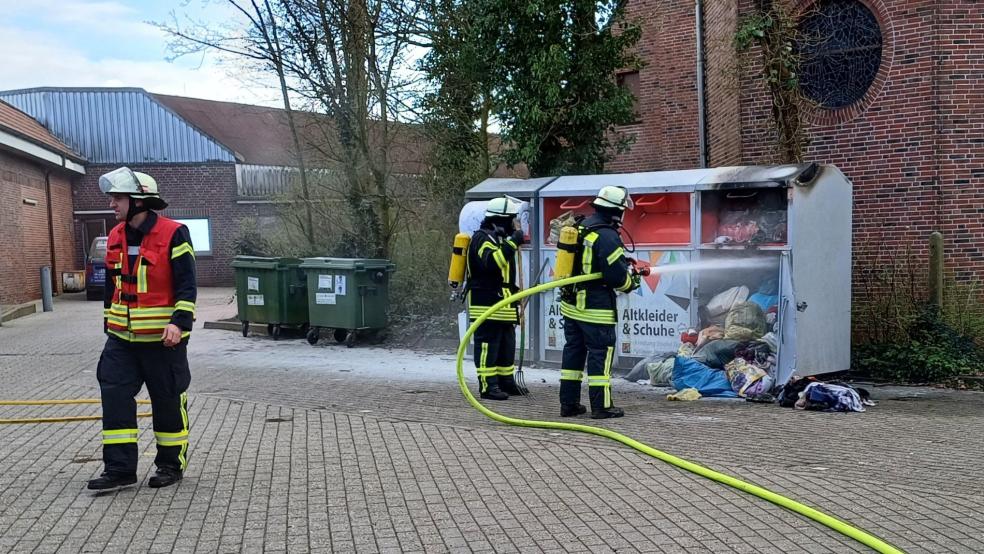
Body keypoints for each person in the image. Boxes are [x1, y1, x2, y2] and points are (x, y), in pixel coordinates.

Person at [87, 167, 196, 491]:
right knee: (115, 397)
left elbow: (187, 285)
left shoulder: (174, 233)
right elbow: (111, 285)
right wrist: (110, 323)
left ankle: (170, 466)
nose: (112, 204)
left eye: (117, 198)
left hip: (163, 341)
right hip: (121, 340)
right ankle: (119, 470)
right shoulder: (116, 236)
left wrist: (179, 323)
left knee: (167, 402)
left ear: (139, 201)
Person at [559, 186, 640, 419]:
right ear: (617, 212)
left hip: (572, 306)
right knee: (599, 357)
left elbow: (593, 262)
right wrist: (632, 281)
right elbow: (616, 278)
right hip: (595, 310)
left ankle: (569, 404)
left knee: (572, 355)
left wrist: (621, 261)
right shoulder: (607, 235)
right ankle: (602, 407)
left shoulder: (582, 226)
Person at [466, 195, 526, 400]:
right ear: (499, 220)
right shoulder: (481, 238)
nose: (514, 224)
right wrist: (512, 243)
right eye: (511, 219)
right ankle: (488, 386)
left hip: (504, 303)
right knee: (488, 345)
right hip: (486, 303)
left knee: (506, 345)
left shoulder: (499, 239)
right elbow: (491, 262)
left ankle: (505, 382)